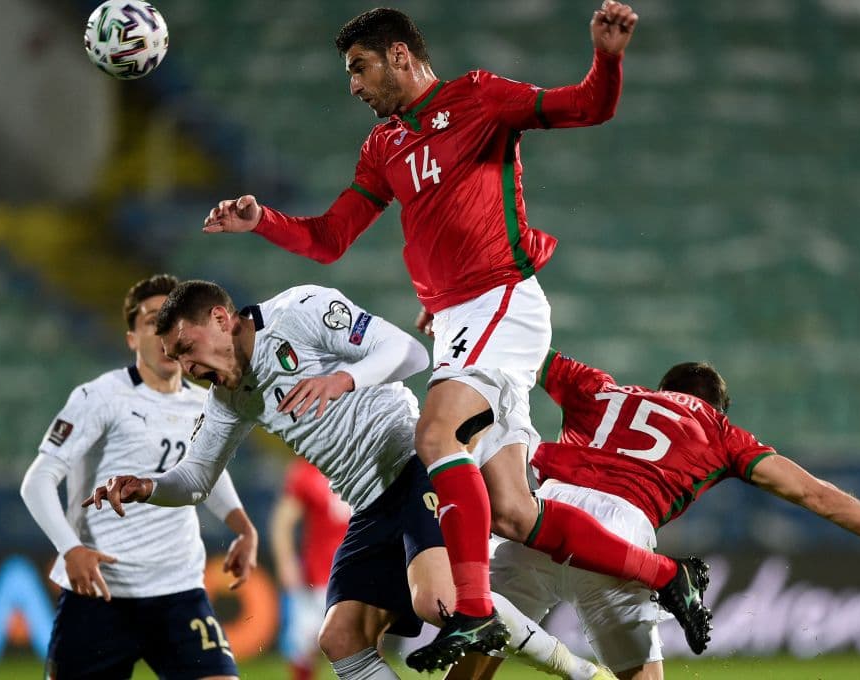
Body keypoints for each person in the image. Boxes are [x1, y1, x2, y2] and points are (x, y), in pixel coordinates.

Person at [196, 3, 708, 670]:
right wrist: (263, 219)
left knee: (435, 435)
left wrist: (606, 58)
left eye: (359, 68)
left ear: (401, 56)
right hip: (457, 322)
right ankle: (668, 576)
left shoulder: (477, 97)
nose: (352, 86)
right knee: (515, 513)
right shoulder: (384, 147)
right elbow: (329, 240)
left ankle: (472, 616)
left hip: (500, 297)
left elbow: (587, 107)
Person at [83, 280, 616, 680]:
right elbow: (197, 478)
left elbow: (409, 352)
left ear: (221, 319)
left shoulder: (299, 313)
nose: (186, 367)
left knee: (440, 602)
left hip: (416, 463)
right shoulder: (227, 397)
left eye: (186, 348)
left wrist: (343, 377)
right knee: (340, 638)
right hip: (370, 502)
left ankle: (583, 674)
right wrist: (149, 486)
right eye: (175, 359)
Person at [450, 352, 860, 680]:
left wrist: (449, 323)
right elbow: (817, 496)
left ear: (660, 390)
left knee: (477, 652)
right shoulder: (723, 432)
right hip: (620, 534)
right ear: (719, 408)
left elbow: (518, 350)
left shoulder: (599, 388)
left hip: (541, 513)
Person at [19, 275, 258, 680]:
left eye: (171, 317)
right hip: (100, 594)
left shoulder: (205, 401)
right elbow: (38, 481)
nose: (163, 328)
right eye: (151, 319)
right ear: (132, 338)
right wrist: (70, 549)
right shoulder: (100, 397)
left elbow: (205, 476)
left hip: (179, 590)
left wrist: (243, 528)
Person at [271, 458, 351, 680]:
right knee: (304, 646)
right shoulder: (309, 471)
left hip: (358, 573)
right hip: (318, 577)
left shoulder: (364, 465)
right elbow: (283, 521)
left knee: (364, 642)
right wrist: (286, 561)